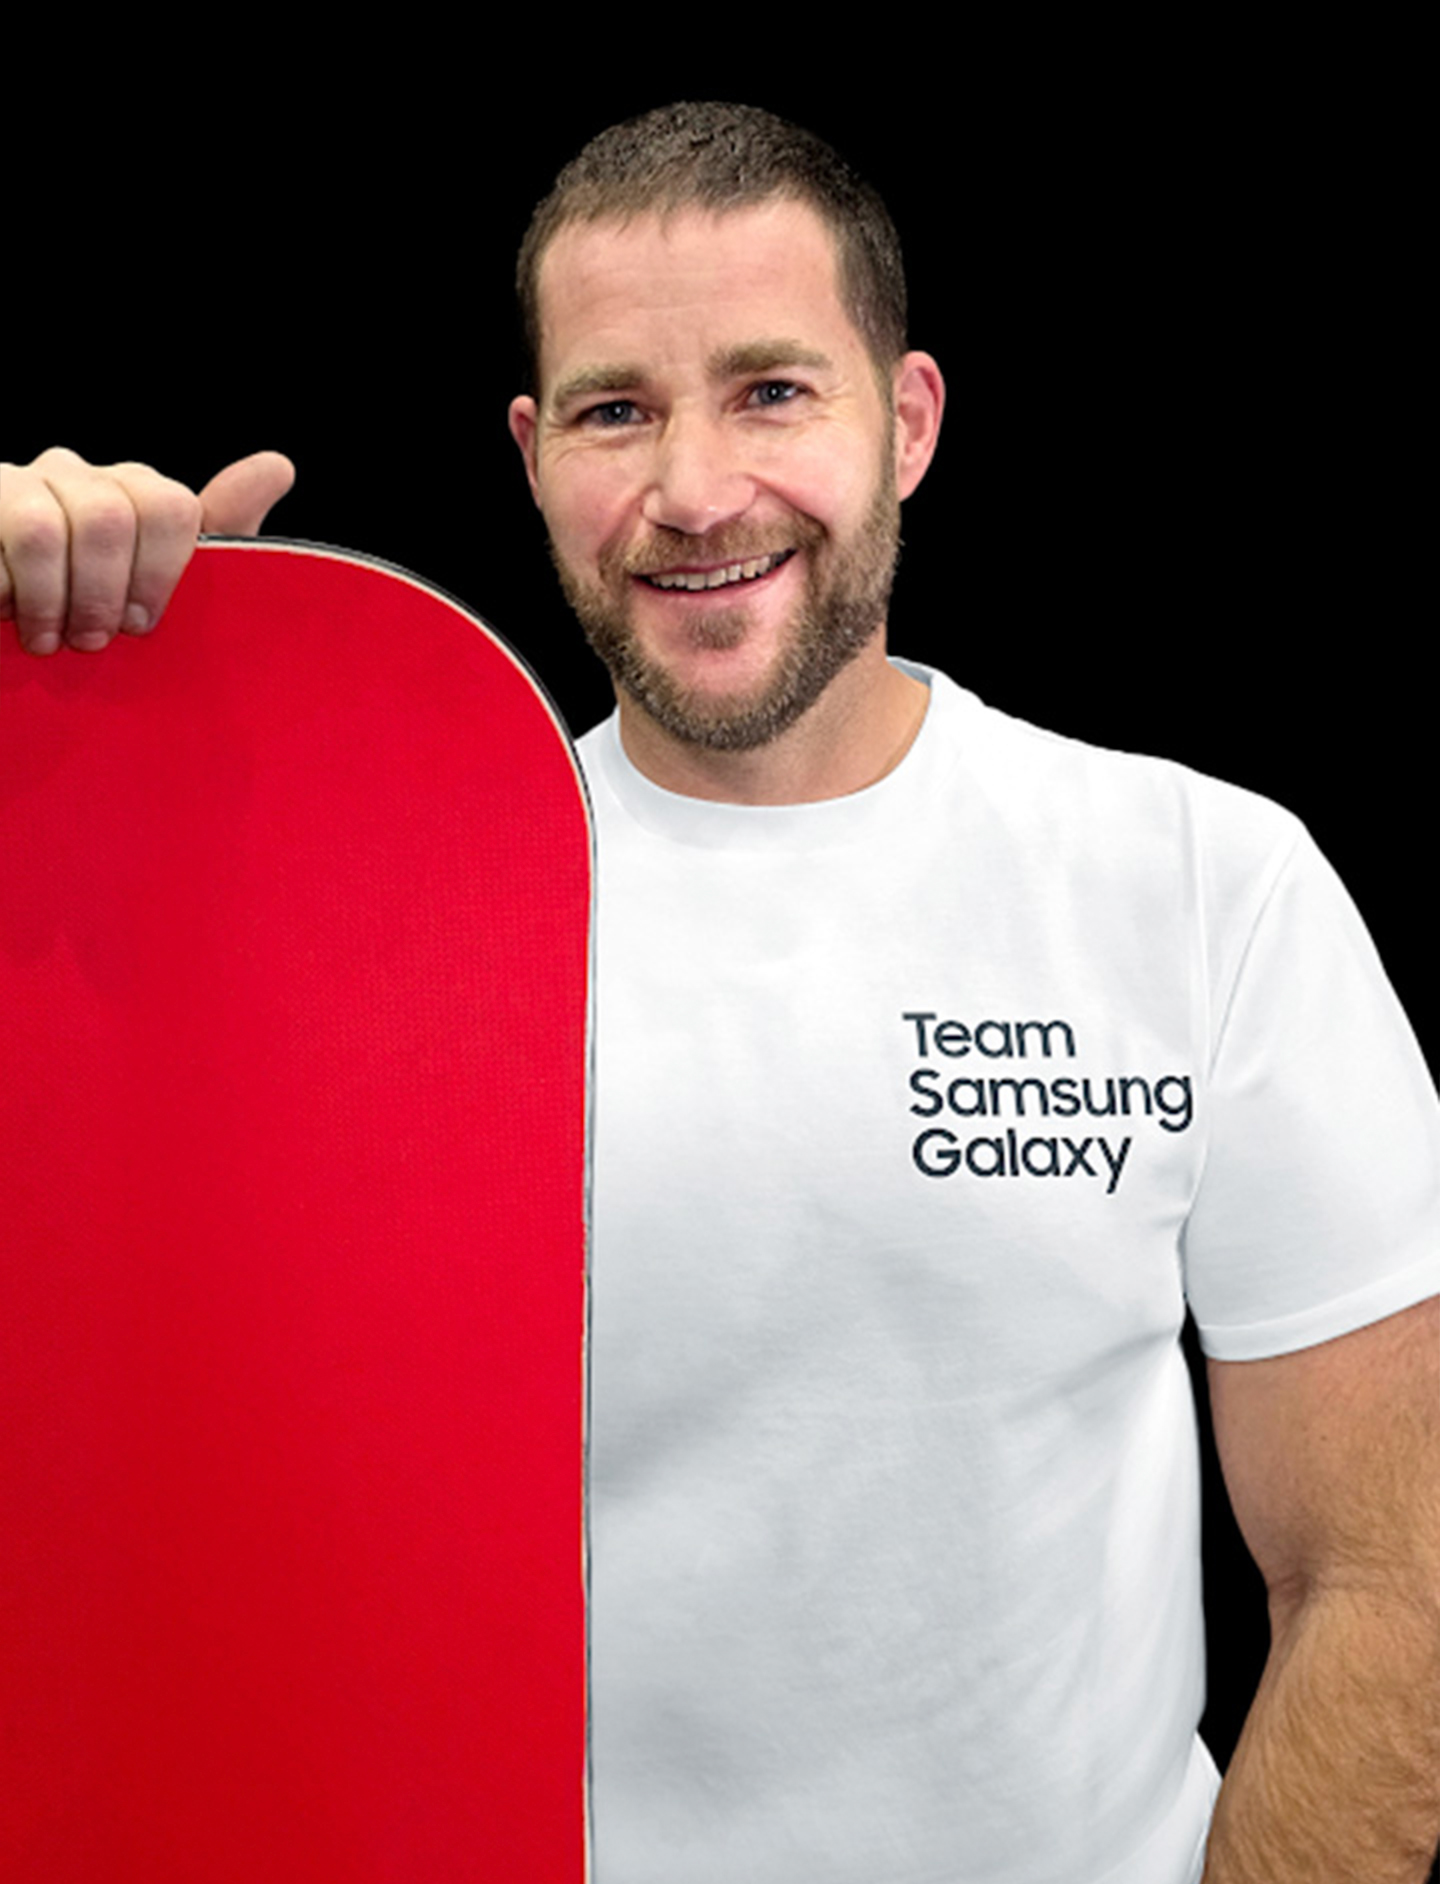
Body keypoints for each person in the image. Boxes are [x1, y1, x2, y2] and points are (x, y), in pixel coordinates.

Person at [4, 101, 1438, 1884]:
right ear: (531, 455)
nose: (692, 492)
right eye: (617, 410)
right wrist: (77, 725)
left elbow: (1390, 1584)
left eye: (772, 390)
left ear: (905, 420)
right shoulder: (346, 921)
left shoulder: (1206, 888)